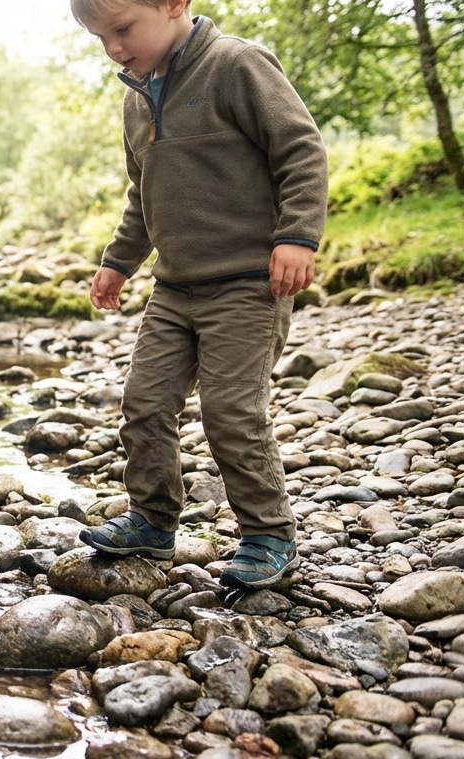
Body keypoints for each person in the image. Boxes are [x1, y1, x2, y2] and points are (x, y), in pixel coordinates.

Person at [69, 0, 328, 589]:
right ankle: (153, 521)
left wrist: (296, 237)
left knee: (232, 412)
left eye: (123, 29)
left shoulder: (237, 64)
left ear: (173, 4)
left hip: (247, 284)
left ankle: (268, 533)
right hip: (175, 287)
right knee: (145, 402)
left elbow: (301, 150)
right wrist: (118, 262)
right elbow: (144, 193)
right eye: (100, 38)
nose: (113, 47)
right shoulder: (136, 99)